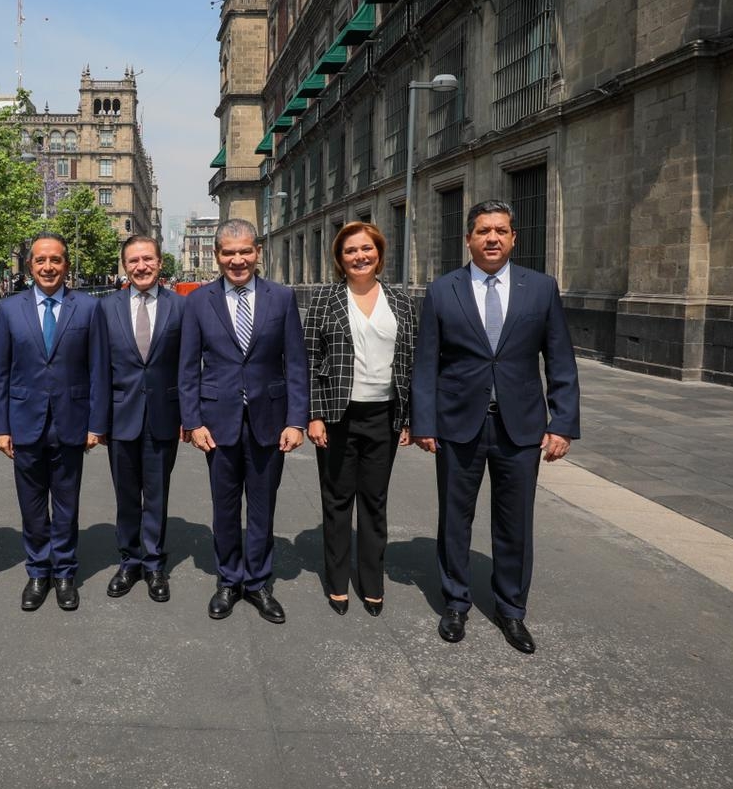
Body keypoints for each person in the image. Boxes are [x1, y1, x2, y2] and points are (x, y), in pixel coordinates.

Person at [412, 200, 581, 655]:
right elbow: (426, 362)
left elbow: (560, 359)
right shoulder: (443, 290)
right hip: (457, 425)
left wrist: (562, 422)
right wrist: (423, 421)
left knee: (515, 523)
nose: (492, 238)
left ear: (513, 238)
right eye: (483, 230)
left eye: (501, 231)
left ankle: (511, 610)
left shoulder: (541, 289)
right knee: (455, 519)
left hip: (521, 428)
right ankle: (455, 603)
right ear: (468, 239)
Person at [179, 219, 308, 624]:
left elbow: (297, 364)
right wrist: (193, 421)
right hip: (217, 422)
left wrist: (297, 420)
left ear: (257, 252)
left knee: (263, 506)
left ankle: (258, 582)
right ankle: (229, 579)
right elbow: (187, 368)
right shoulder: (199, 302)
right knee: (225, 506)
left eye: (245, 251)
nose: (238, 259)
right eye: (229, 252)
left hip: (270, 419)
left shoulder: (281, 298)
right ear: (217, 256)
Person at [0, 232, 109, 613]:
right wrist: (0, 427)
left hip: (71, 423)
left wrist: (96, 424)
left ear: (66, 266)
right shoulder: (10, 309)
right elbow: (0, 374)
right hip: (24, 423)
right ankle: (38, 571)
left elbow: (98, 371)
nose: (48, 267)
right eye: (40, 260)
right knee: (33, 505)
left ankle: (65, 574)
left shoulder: (88, 309)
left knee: (67, 504)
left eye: (55, 260)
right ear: (30, 266)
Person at [304, 222, 416, 619]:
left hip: (383, 414)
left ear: (379, 253)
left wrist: (407, 418)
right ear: (340, 259)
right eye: (350, 251)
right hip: (338, 414)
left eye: (366, 249)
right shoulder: (325, 300)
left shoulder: (401, 303)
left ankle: (372, 581)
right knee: (337, 501)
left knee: (375, 502)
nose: (359, 256)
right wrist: (313, 415)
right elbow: (309, 359)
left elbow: (409, 363)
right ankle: (337, 581)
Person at [99, 235, 186, 603]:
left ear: (159, 262)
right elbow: (99, 368)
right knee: (126, 495)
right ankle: (129, 561)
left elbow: (188, 366)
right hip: (120, 416)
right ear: (125, 266)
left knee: (157, 494)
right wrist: (98, 422)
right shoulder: (106, 308)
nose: (141, 266)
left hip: (165, 416)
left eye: (147, 259)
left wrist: (190, 416)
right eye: (133, 261)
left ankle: (153, 564)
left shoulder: (181, 307)